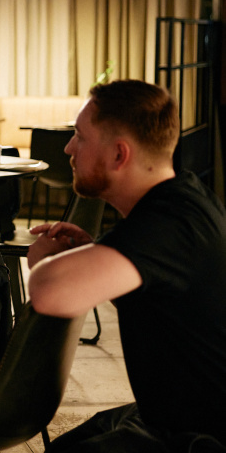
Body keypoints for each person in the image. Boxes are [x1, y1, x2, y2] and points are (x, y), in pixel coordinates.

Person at [27, 80, 226, 452]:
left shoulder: (167, 225)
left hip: (201, 436)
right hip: (170, 413)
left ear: (119, 155)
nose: (68, 148)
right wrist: (92, 252)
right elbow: (159, 295)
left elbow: (47, 292)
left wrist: (48, 259)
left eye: (79, 136)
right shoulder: (182, 197)